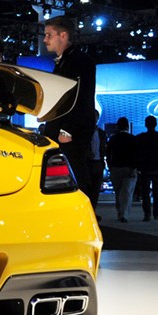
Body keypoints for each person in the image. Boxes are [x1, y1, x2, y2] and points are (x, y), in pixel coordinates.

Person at [41, 16, 96, 200]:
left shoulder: (80, 60)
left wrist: (68, 129)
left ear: (63, 35)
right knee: (63, 177)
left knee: (75, 175)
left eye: (49, 35)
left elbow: (81, 97)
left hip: (70, 132)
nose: (45, 40)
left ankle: (84, 212)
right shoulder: (65, 61)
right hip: (60, 130)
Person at [135, 115, 158, 221]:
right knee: (156, 192)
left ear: (145, 124)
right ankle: (157, 214)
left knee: (145, 192)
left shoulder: (140, 137)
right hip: (157, 167)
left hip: (145, 167)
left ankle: (147, 214)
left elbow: (136, 152)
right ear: (156, 124)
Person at [106, 117, 137, 222]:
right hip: (129, 169)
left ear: (118, 127)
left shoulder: (113, 139)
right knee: (127, 193)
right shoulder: (133, 139)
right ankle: (124, 214)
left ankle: (120, 212)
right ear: (128, 126)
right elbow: (136, 155)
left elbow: (108, 154)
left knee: (118, 192)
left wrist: (110, 167)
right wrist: (134, 167)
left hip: (116, 168)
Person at [86, 110, 107, 211]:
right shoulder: (84, 133)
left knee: (96, 190)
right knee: (87, 189)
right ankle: (89, 211)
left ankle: (93, 210)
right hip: (88, 164)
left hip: (98, 163)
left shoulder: (102, 133)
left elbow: (103, 148)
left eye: (95, 117)